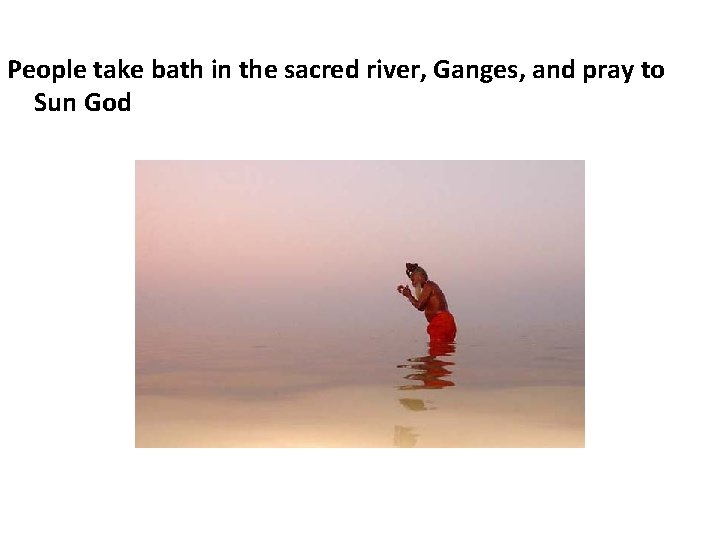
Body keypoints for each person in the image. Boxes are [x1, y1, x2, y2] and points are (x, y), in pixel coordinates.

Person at [396, 263, 457, 342]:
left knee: (437, 350)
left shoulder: (429, 285)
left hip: (441, 323)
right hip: (444, 322)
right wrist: (408, 294)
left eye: (413, 280)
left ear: (420, 276)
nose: (413, 283)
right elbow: (421, 307)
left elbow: (419, 305)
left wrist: (409, 295)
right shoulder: (430, 286)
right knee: (443, 352)